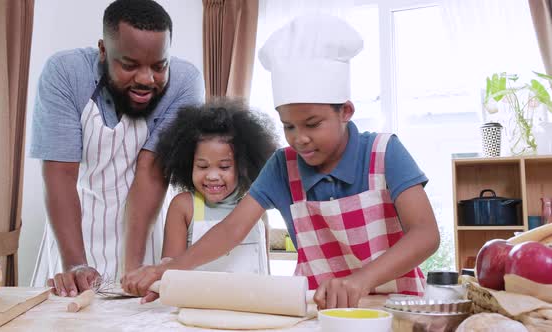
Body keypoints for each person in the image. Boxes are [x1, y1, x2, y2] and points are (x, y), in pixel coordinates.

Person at [121, 14, 439, 309]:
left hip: (397, 307)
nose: (299, 138)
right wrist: (169, 269)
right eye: (288, 126)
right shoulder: (282, 166)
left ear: (345, 112)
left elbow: (425, 234)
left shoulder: (385, 153)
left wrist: (361, 280)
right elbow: (231, 230)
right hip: (320, 311)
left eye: (312, 124)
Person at [29, 0, 204, 297]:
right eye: (129, 65)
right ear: (103, 50)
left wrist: (132, 270)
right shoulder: (66, 74)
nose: (146, 79)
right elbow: (60, 173)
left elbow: (152, 171)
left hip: (144, 235)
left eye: (159, 66)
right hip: (73, 233)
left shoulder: (185, 82)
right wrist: (75, 264)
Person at [155, 99, 277, 276]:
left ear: (243, 166)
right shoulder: (184, 206)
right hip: (195, 303)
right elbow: (169, 273)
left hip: (253, 303)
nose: (212, 176)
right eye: (203, 166)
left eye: (224, 167)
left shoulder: (255, 205)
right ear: (188, 164)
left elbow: (265, 270)